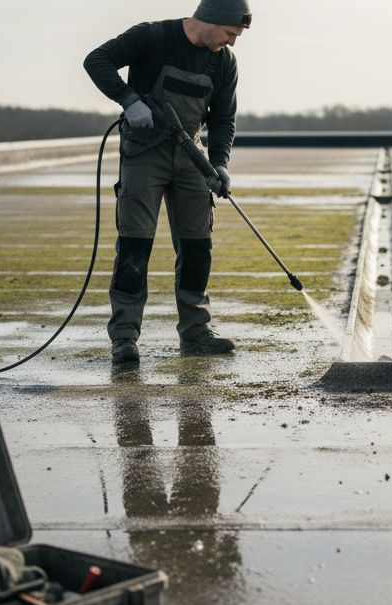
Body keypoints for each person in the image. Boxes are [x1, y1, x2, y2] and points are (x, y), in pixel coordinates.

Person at [84, 0, 252, 365]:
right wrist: (129, 100)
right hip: (144, 155)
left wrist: (219, 164)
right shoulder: (152, 36)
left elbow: (224, 118)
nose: (232, 41)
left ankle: (196, 332)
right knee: (134, 247)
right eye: (230, 33)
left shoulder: (223, 62)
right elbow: (96, 60)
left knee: (197, 247)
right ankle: (124, 337)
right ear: (211, 20)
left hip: (192, 157)